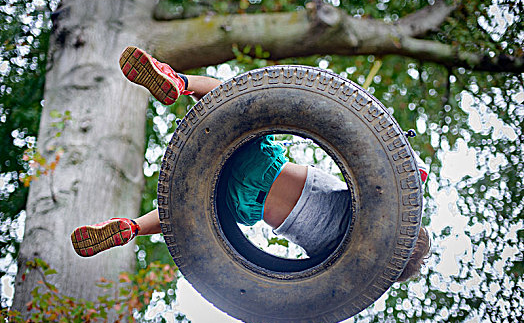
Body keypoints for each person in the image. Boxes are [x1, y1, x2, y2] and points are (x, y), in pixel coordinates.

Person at [70, 46, 430, 282]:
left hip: (264, 168)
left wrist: (412, 175)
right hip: (245, 210)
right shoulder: (344, 260)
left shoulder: (375, 207)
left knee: (234, 97)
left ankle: (179, 82)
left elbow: (407, 170)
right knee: (183, 212)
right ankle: (131, 228)